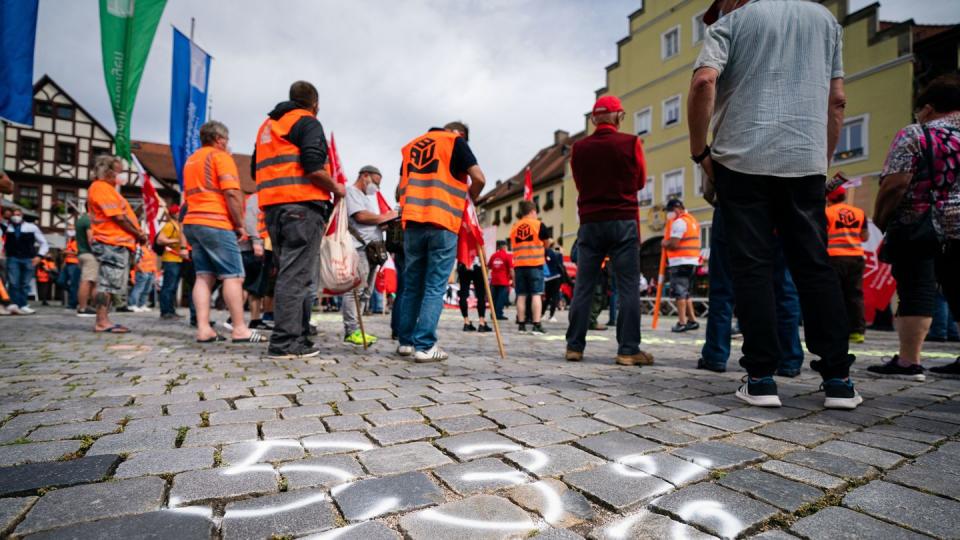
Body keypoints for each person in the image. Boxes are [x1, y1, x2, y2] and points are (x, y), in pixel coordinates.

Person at [688, 0, 859, 409]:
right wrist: (824, 158)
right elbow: (837, 100)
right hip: (804, 159)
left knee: (752, 268)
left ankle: (761, 377)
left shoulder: (731, 24)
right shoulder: (825, 22)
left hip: (742, 159)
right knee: (814, 266)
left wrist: (700, 154)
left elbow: (703, 83)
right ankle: (838, 378)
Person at [868, 73, 960, 379]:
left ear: (929, 108)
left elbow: (895, 184)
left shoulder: (916, 134)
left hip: (920, 225)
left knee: (916, 290)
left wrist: (880, 218)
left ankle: (909, 361)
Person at [254, 81, 343, 359]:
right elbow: (313, 166)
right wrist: (336, 188)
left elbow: (254, 167)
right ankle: (285, 342)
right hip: (302, 206)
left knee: (292, 273)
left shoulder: (267, 127)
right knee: (295, 276)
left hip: (273, 207)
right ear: (314, 103)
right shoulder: (307, 122)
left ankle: (299, 336)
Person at [565, 95, 651, 366]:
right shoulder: (631, 142)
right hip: (623, 219)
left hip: (590, 222)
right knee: (627, 287)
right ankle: (628, 349)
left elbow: (580, 184)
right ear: (618, 117)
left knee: (583, 287)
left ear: (593, 119)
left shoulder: (578, 148)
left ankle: (574, 347)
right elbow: (639, 181)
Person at [396, 121, 486, 362]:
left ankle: (405, 342)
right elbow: (479, 177)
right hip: (443, 221)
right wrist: (469, 199)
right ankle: (425, 345)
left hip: (413, 222)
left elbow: (398, 190)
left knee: (412, 285)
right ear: (461, 134)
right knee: (435, 286)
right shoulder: (454, 142)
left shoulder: (410, 147)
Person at [182, 121, 262, 344]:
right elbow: (232, 194)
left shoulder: (192, 160)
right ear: (220, 139)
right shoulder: (221, 157)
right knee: (234, 276)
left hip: (193, 221)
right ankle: (239, 329)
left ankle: (203, 328)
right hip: (215, 221)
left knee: (203, 276)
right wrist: (239, 225)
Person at [699, 207, 804, 376]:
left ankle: (716, 354)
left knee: (723, 288)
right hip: (780, 203)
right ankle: (789, 358)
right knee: (783, 288)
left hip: (734, 203)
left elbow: (709, 185)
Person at [87, 155, 147, 333]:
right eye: (119, 171)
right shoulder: (101, 188)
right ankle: (102, 321)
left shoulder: (106, 189)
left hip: (115, 242)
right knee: (107, 283)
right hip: (111, 241)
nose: (122, 175)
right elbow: (118, 217)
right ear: (107, 171)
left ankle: (104, 319)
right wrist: (138, 233)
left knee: (110, 283)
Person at [343, 165, 397, 345]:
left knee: (366, 292)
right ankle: (352, 331)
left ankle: (358, 329)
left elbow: (369, 220)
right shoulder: (351, 192)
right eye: (375, 182)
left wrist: (382, 223)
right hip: (359, 248)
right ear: (365, 176)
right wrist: (384, 217)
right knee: (355, 291)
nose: (376, 187)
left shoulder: (365, 197)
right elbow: (360, 217)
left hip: (372, 249)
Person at [825, 186, 869, 344]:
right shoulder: (859, 212)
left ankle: (835, 330)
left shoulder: (827, 212)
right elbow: (864, 237)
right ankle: (857, 332)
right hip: (856, 257)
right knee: (855, 295)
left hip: (834, 258)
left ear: (829, 198)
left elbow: (821, 235)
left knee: (833, 295)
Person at [662, 199, 701, 333]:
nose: (668, 214)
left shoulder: (679, 222)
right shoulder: (692, 221)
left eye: (669, 211)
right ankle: (692, 320)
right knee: (686, 293)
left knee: (680, 293)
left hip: (680, 262)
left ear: (677, 209)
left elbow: (674, 244)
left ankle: (682, 322)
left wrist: (664, 243)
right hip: (692, 261)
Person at [510, 200, 548, 335]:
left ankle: (521, 325)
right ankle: (536, 324)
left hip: (519, 265)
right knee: (536, 294)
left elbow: (513, 245)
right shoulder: (538, 225)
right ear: (533, 211)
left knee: (521, 295)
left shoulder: (515, 227)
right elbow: (546, 243)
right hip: (535, 264)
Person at [2, 209, 49, 314]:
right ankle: (14, 305)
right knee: (14, 282)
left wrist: (39, 256)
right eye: (14, 214)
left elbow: (44, 243)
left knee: (25, 283)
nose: (16, 216)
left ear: (22, 215)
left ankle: (22, 304)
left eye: (18, 214)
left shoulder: (31, 227)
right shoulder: (7, 227)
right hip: (12, 257)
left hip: (29, 258)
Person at [237, 193, 270, 330]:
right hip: (250, 248)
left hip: (256, 246)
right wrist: (256, 242)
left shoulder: (259, 198)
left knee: (255, 288)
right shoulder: (256, 199)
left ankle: (254, 320)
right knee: (248, 286)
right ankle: (235, 319)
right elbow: (250, 220)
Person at [156, 204, 186, 320]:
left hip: (178, 259)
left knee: (173, 286)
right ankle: (165, 311)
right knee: (169, 286)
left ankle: (171, 310)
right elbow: (160, 240)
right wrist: (178, 240)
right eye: (179, 212)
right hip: (171, 259)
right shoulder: (169, 225)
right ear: (175, 213)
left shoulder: (178, 225)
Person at [457, 256, 491, 333]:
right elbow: (482, 250)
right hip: (477, 265)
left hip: (463, 264)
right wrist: (485, 265)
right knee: (481, 295)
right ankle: (481, 322)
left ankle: (466, 321)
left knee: (463, 294)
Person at [74, 211, 97, 317]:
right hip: (90, 254)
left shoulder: (81, 219)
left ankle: (91, 307)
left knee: (92, 282)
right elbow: (91, 239)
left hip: (83, 253)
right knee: (87, 281)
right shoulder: (88, 221)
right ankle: (83, 308)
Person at [488, 240, 512, 321]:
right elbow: (511, 269)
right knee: (501, 299)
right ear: (505, 247)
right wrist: (513, 279)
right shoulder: (507, 256)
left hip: (494, 280)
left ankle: (493, 314)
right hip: (503, 280)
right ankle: (498, 314)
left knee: (494, 298)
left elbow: (489, 267)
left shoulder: (493, 255)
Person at [127, 247, 157, 312]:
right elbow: (135, 260)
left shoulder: (150, 249)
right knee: (138, 289)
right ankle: (132, 305)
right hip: (142, 272)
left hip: (150, 271)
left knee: (147, 290)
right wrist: (141, 270)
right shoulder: (140, 248)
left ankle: (142, 305)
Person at [543, 239, 565, 323]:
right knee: (555, 296)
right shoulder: (557, 254)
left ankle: (542, 313)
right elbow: (561, 265)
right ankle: (551, 315)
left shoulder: (544, 252)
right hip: (556, 277)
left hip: (547, 278)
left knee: (547, 297)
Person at [61, 224, 80, 309]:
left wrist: (67, 252)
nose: (70, 230)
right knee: (60, 281)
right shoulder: (69, 240)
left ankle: (73, 302)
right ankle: (76, 296)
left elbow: (78, 252)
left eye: (71, 229)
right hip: (67, 263)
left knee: (73, 283)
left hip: (75, 263)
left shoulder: (78, 241)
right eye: (68, 229)